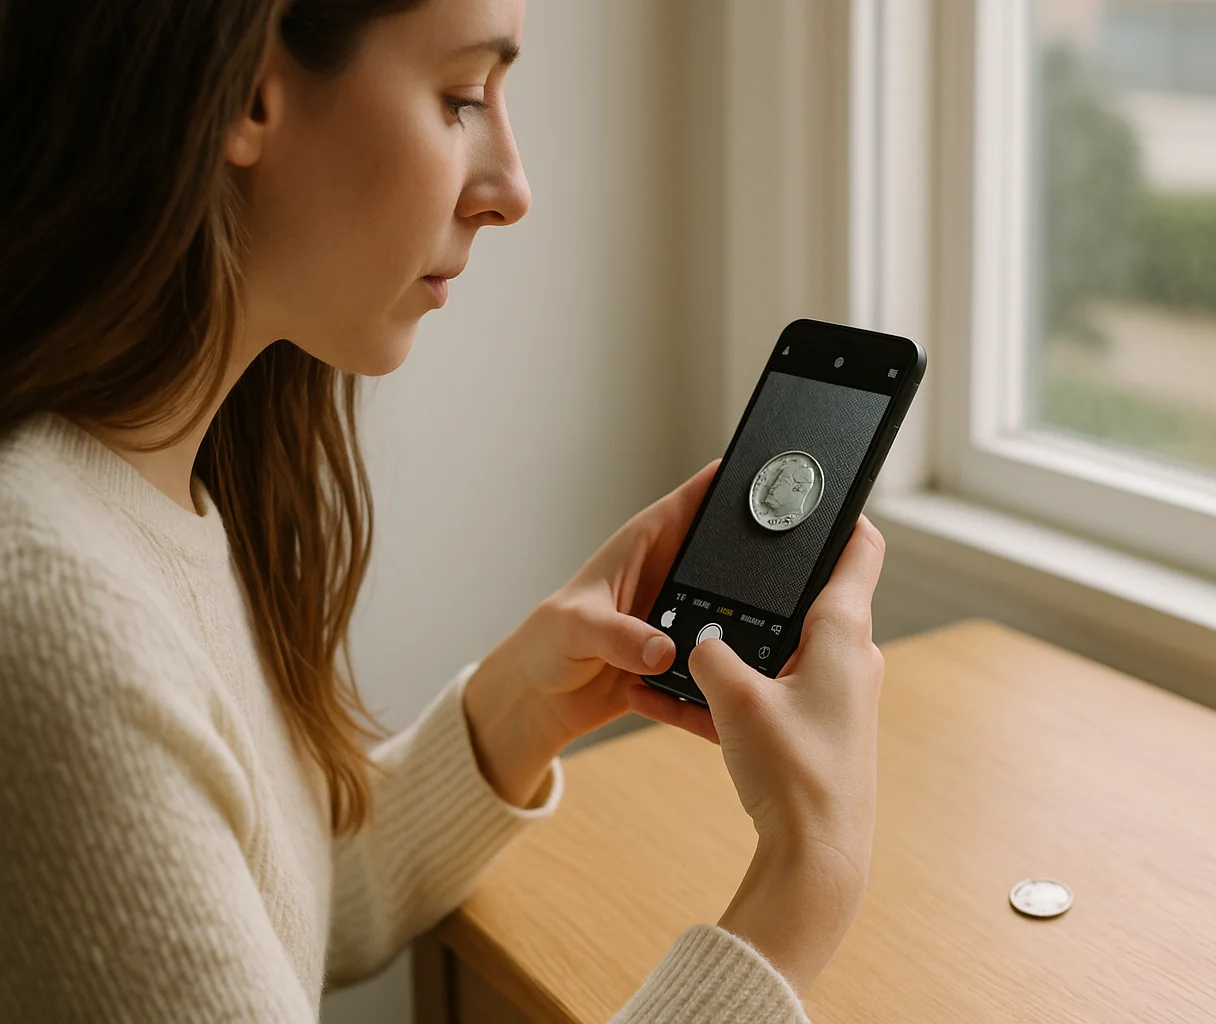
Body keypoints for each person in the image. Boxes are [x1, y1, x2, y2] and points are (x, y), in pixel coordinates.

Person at [0, 0, 886, 1020]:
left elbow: (242, 917)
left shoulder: (152, 489)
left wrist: (521, 708)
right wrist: (809, 875)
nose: (512, 190)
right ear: (245, 87)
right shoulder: (56, 609)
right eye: (462, 96)